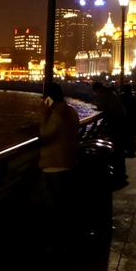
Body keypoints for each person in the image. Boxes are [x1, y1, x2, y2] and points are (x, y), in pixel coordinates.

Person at [39, 82, 80, 245]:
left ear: (49, 98)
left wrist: (43, 115)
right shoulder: (72, 112)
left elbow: (45, 134)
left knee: (52, 207)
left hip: (53, 164)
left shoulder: (57, 115)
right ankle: (65, 241)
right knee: (65, 205)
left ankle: (55, 242)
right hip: (68, 161)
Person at [93, 82, 128, 182]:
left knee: (117, 147)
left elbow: (104, 108)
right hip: (121, 120)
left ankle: (118, 172)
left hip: (116, 122)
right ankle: (120, 171)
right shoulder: (110, 92)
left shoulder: (105, 94)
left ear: (98, 89)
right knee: (119, 147)